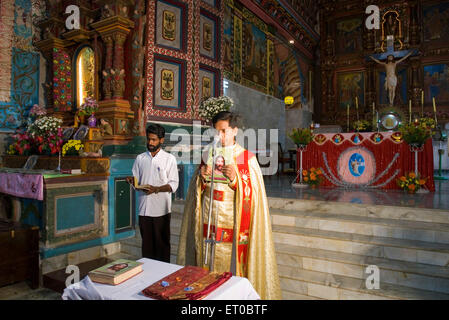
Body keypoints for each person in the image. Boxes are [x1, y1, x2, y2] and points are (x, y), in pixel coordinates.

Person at [177, 111, 281, 300]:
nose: (220, 136)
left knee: (230, 269)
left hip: (232, 220)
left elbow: (254, 193)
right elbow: (196, 189)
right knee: (205, 262)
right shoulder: (208, 153)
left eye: (224, 131)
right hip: (208, 217)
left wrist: (236, 180)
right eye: (216, 132)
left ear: (234, 131)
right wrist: (202, 178)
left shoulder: (244, 157)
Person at [127, 124, 179, 262]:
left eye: (154, 140)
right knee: (147, 246)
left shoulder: (169, 159)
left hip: (161, 209)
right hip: (144, 208)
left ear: (161, 140)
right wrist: (132, 181)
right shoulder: (140, 158)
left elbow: (173, 184)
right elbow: (136, 179)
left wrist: (156, 189)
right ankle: (149, 274)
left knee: (162, 244)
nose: (150, 143)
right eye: (148, 139)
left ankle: (164, 274)